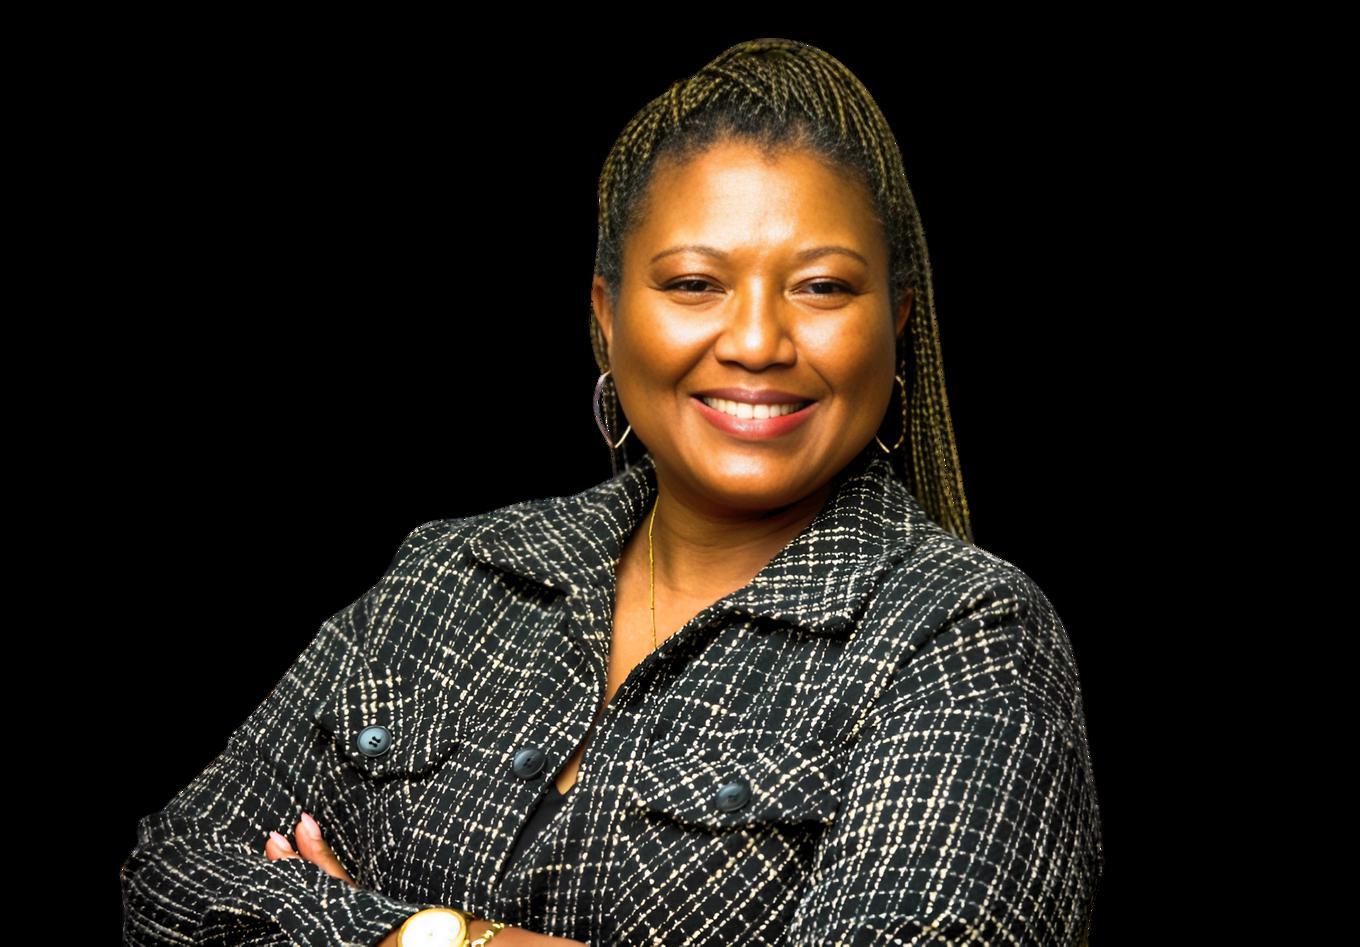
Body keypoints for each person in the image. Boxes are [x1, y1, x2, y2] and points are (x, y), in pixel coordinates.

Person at [121, 37, 1103, 946]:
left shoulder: (964, 636)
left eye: (821, 287)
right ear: (607, 313)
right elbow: (172, 876)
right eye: (693, 283)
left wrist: (400, 930)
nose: (756, 341)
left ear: (896, 322)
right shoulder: (454, 576)